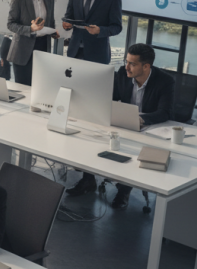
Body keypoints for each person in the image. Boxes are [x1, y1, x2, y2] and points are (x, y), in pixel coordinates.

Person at [68, 43, 176, 208]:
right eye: (126, 62)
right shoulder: (123, 74)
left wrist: (141, 119)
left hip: (149, 127)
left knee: (132, 152)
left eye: (132, 64)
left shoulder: (165, 81)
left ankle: (124, 191)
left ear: (146, 66)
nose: (126, 67)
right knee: (93, 140)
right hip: (124, 123)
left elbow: (165, 112)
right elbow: (110, 97)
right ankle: (88, 180)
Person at [6, 0, 59, 85]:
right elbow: (10, 24)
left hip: (43, 48)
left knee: (39, 87)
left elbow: (50, 21)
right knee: (23, 88)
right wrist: (31, 28)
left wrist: (53, 32)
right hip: (23, 49)